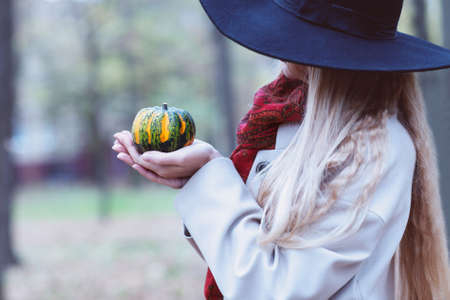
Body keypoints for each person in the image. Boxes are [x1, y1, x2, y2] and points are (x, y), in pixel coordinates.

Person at [112, 0, 450, 299]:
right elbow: (243, 263)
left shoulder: (370, 149)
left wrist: (207, 175)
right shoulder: (290, 119)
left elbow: (271, 289)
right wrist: (198, 177)